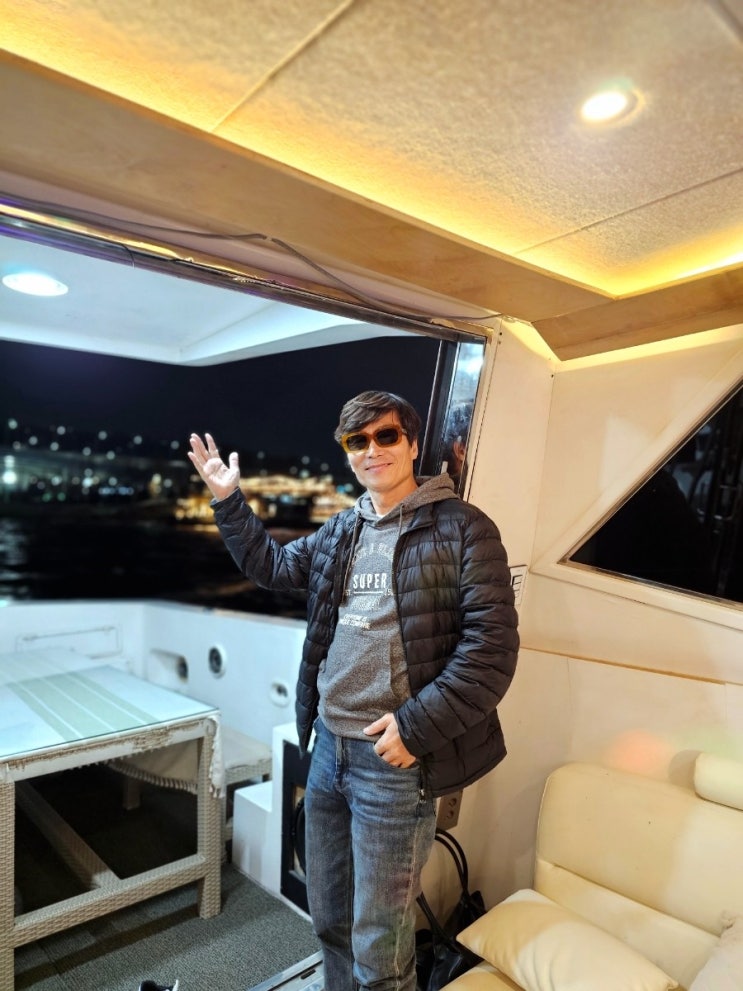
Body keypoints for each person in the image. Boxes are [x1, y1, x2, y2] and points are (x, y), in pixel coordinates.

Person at [188, 390, 519, 991]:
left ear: (412, 444)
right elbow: (273, 567)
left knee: (380, 942)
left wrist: (412, 729)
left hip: (392, 762)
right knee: (330, 917)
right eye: (357, 441)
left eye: (386, 436)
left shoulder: (464, 529)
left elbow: (490, 653)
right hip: (328, 751)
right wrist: (228, 500)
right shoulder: (343, 529)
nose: (372, 450)